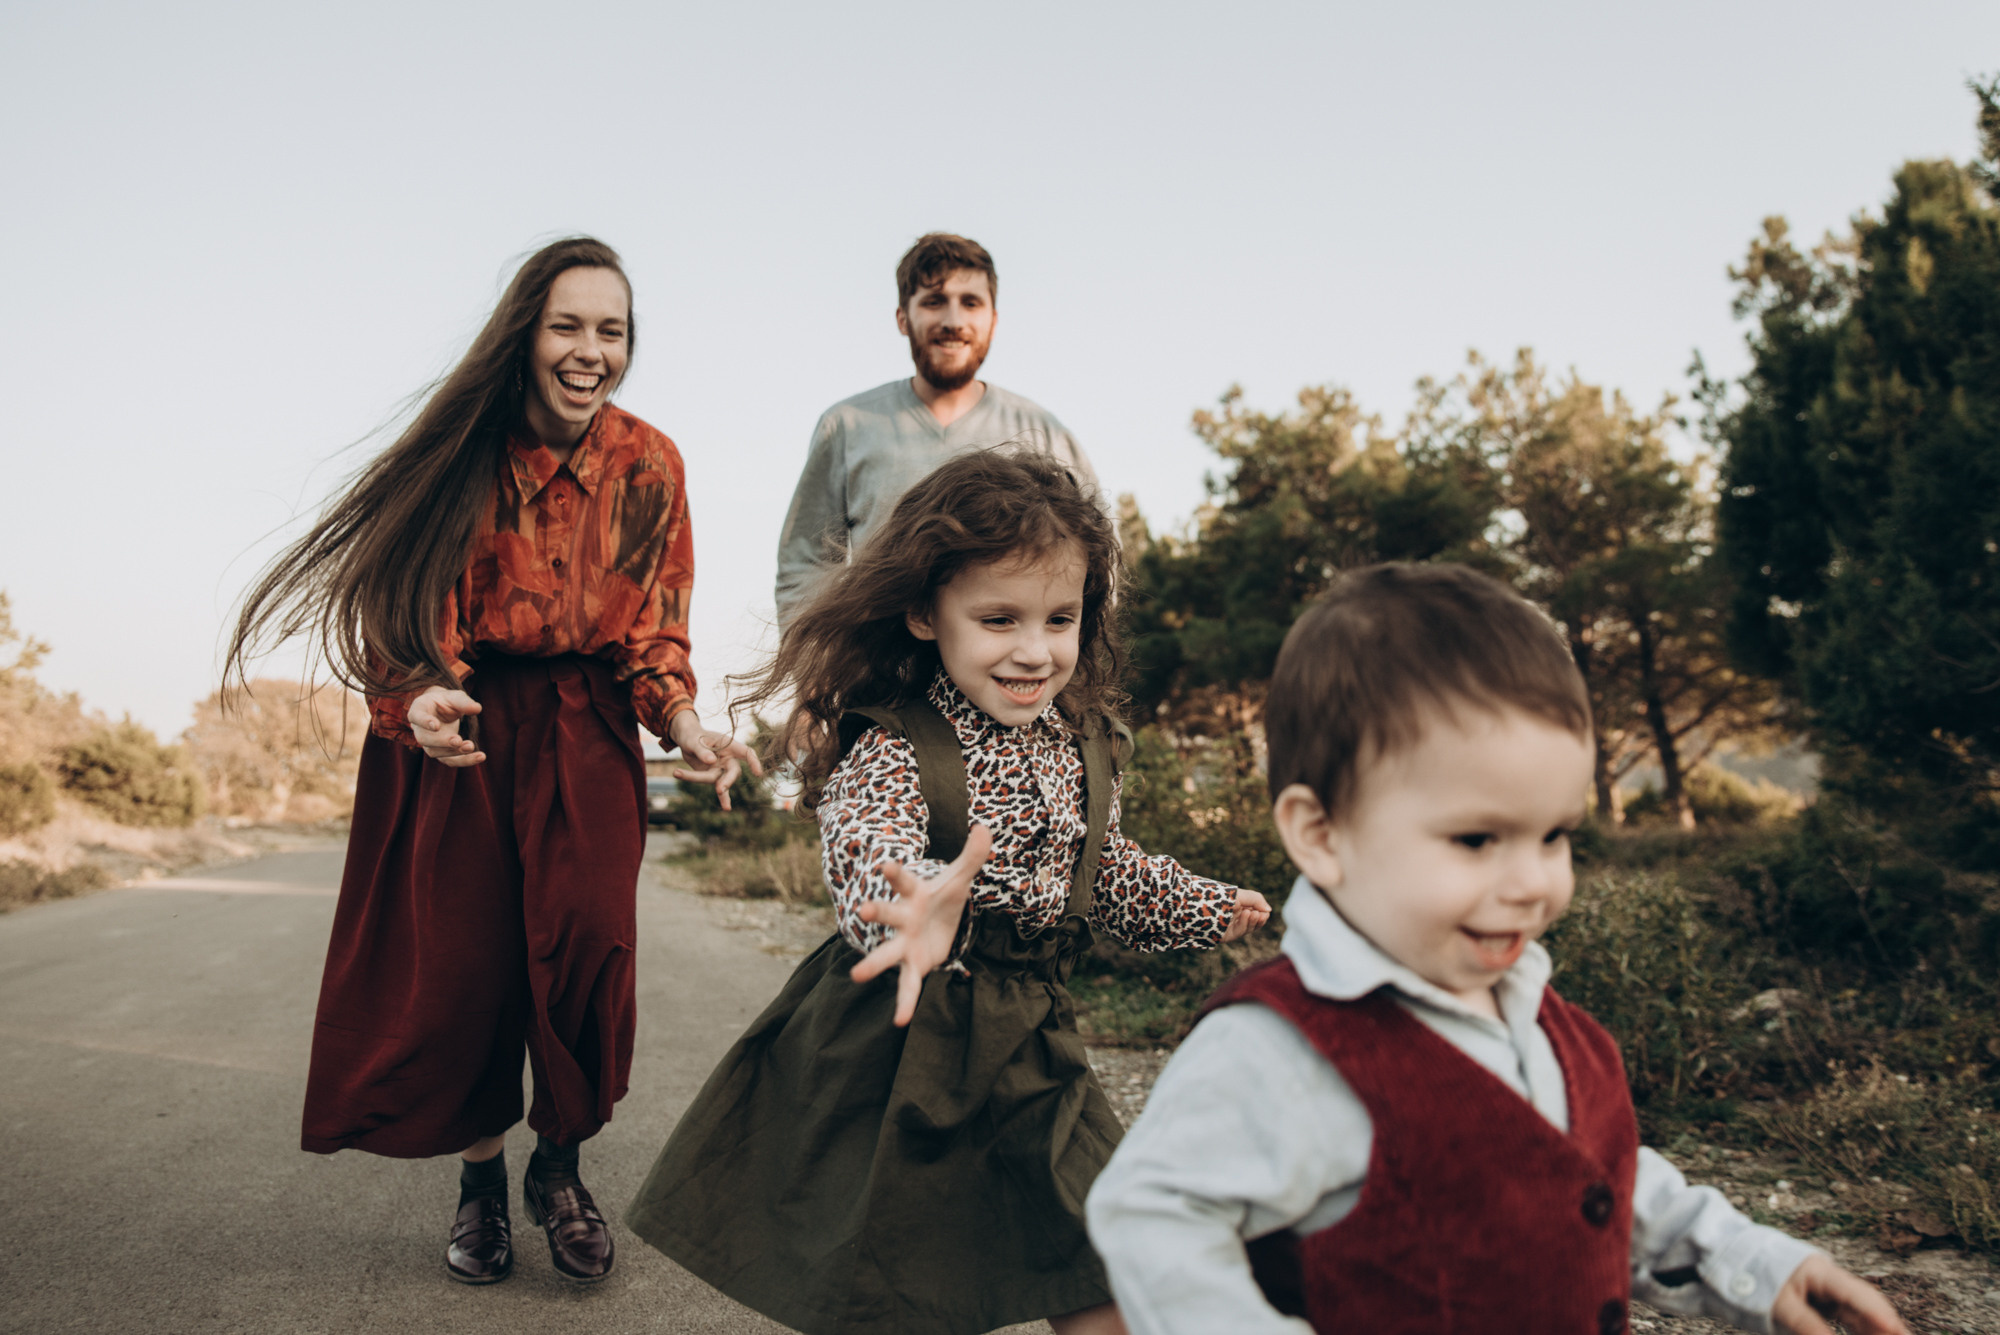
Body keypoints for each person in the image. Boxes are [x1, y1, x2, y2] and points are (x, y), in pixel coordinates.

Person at [1083, 563, 1909, 1335]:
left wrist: (1753, 1262)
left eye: (1554, 835)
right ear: (1321, 832)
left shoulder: (1540, 1016)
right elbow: (1150, 1213)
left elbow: (1580, 1176)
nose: (1531, 881)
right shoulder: (1281, 1046)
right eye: (1478, 838)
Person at [627, 450, 1272, 1335]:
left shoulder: (1082, 740)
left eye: (1061, 617)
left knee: (1107, 1260)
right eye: (998, 618)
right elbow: (867, 848)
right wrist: (918, 904)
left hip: (1034, 1042)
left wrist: (1203, 903)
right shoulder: (893, 746)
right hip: (901, 1047)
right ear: (927, 613)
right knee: (901, 1288)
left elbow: (1104, 866)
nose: (1035, 650)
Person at [225, 236, 757, 1288]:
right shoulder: (458, 451)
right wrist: (412, 697)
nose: (589, 350)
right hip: (461, 725)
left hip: (588, 724)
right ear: (526, 330)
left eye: (610, 330)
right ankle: (479, 1183)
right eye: (569, 325)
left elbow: (655, 625)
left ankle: (556, 1169)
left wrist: (684, 723)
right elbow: (395, 608)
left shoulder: (650, 460)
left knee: (587, 948)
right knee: (469, 967)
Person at [772, 232, 1102, 628]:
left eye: (970, 303)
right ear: (902, 318)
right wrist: (817, 670)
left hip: (1012, 677)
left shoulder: (1044, 433)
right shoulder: (846, 426)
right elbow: (803, 565)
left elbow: (1097, 568)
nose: (953, 321)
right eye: (933, 302)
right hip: (880, 681)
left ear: (993, 321)